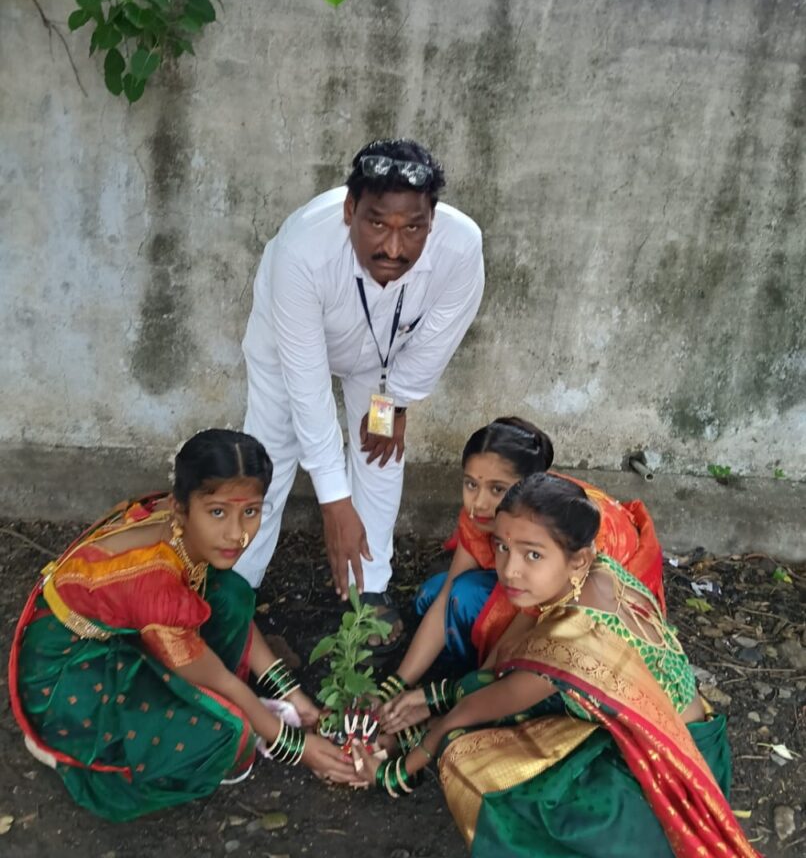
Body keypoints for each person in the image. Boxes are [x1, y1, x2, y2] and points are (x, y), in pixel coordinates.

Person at [354, 473, 758, 858]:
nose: (509, 569)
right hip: (685, 746)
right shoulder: (596, 574)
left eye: (533, 554)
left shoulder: (573, 641)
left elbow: (476, 708)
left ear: (578, 559)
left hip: (664, 788)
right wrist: (432, 697)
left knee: (467, 757)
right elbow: (499, 670)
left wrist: (398, 770)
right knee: (489, 702)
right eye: (502, 547)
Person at [8, 429, 358, 822]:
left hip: (115, 633)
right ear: (180, 508)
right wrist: (297, 746)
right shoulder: (155, 585)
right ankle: (63, 753)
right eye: (218, 513)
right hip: (64, 677)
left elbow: (226, 605)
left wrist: (295, 698)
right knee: (228, 733)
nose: (237, 533)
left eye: (252, 512)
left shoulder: (178, 530)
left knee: (230, 592)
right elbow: (224, 683)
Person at [237, 138, 484, 648]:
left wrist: (396, 400)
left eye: (412, 228)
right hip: (290, 343)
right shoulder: (302, 249)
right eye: (377, 224)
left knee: (379, 452)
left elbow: (438, 335)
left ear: (431, 220)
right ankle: (234, 588)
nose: (394, 248)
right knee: (271, 453)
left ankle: (368, 590)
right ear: (350, 210)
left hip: (383, 364)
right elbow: (307, 384)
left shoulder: (462, 247)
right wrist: (333, 502)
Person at [390, 417, 666, 685]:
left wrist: (456, 696)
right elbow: (447, 592)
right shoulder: (486, 514)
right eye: (471, 484)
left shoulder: (562, 530)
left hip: (581, 626)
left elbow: (532, 621)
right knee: (433, 595)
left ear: (529, 488)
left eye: (497, 489)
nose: (478, 503)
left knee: (464, 599)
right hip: (538, 587)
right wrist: (396, 685)